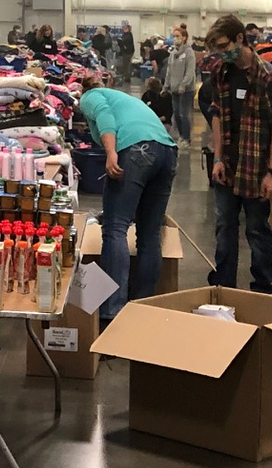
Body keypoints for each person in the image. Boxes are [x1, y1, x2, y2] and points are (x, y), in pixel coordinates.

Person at [78, 71, 178, 319]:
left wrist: (111, 153)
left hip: (136, 150)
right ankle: (142, 306)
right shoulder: (124, 99)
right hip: (167, 152)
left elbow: (104, 116)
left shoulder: (91, 96)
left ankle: (113, 311)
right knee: (149, 232)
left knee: (115, 227)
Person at [207, 13, 272, 293]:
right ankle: (224, 287)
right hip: (228, 166)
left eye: (224, 46)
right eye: (217, 48)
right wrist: (217, 157)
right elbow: (217, 114)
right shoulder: (220, 72)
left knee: (257, 230)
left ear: (240, 38)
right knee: (224, 228)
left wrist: (271, 173)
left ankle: (262, 291)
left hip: (256, 168)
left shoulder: (268, 76)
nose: (221, 53)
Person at [163, 25, 196, 145]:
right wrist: (166, 86)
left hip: (186, 90)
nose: (175, 38)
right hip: (174, 89)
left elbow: (190, 72)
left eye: (177, 36)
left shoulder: (189, 52)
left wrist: (183, 85)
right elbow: (169, 71)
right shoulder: (173, 53)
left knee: (184, 114)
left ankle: (187, 138)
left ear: (184, 37)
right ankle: (181, 135)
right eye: (174, 36)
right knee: (176, 114)